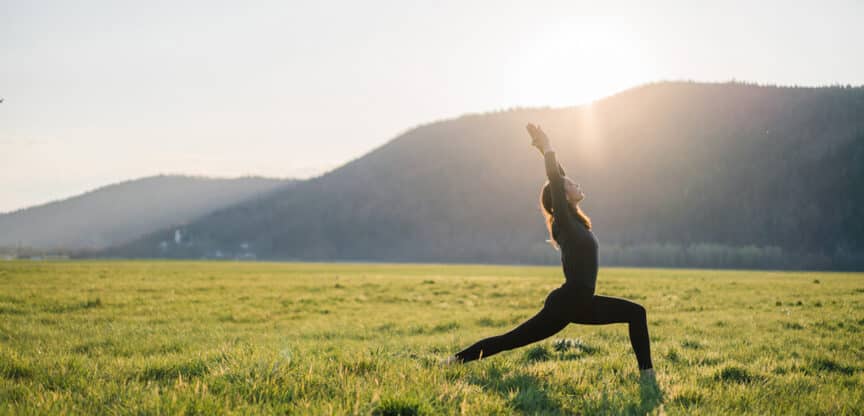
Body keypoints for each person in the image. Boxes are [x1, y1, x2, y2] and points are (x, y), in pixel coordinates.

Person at [442, 123, 655, 382]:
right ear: (563, 197)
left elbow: (559, 178)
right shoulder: (564, 221)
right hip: (567, 303)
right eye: (572, 184)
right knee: (512, 340)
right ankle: (452, 362)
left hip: (582, 302)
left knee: (636, 313)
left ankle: (647, 376)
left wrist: (545, 151)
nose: (577, 184)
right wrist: (548, 148)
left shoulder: (574, 221)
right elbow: (556, 179)